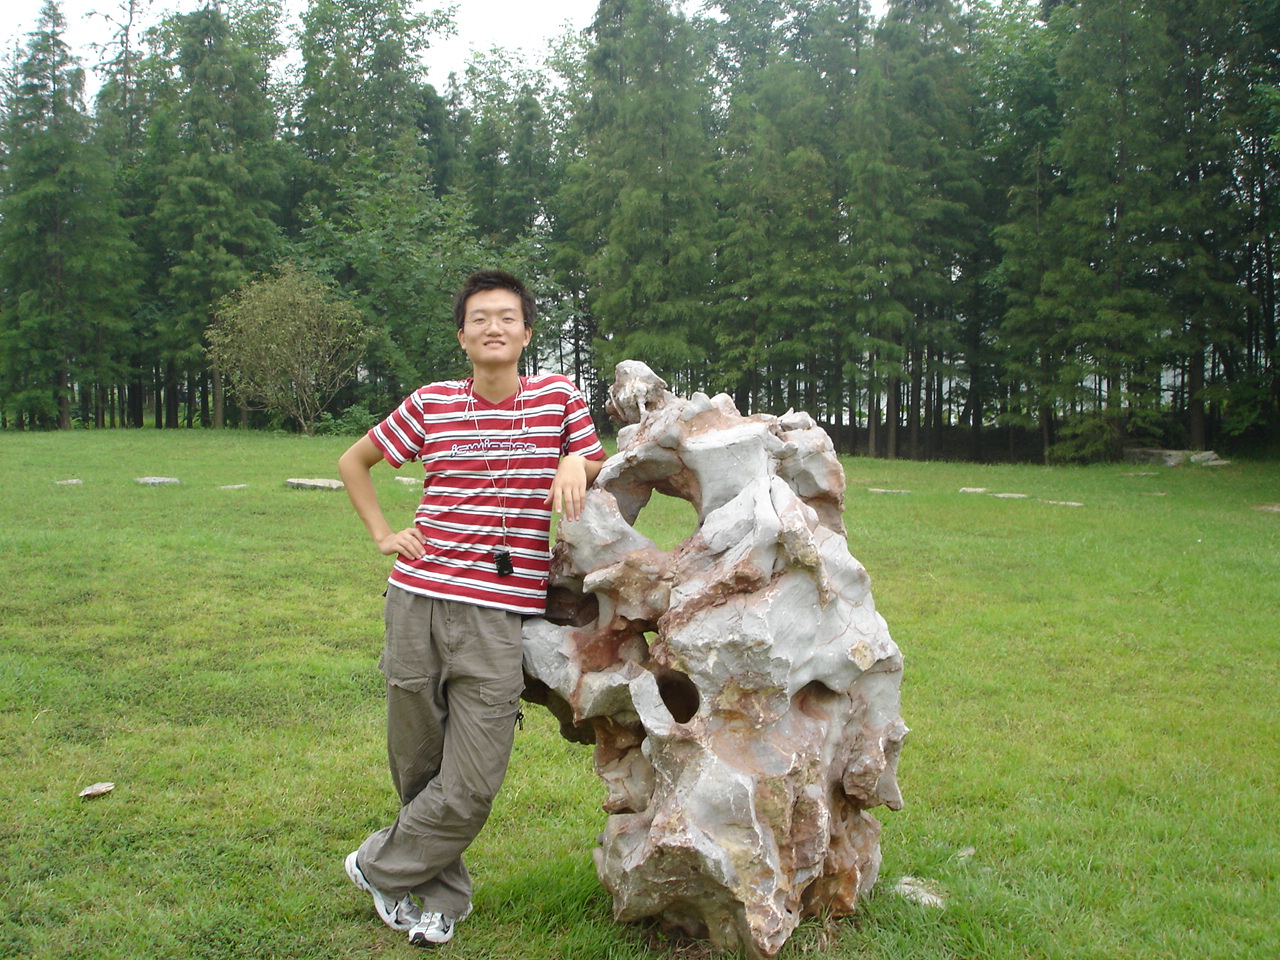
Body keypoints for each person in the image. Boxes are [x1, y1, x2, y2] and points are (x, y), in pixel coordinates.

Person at [337, 269, 606, 947]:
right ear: (462, 337)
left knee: (474, 779)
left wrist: (573, 463)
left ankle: (375, 865)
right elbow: (353, 462)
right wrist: (383, 534)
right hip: (418, 601)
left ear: (527, 333)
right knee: (419, 765)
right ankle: (439, 899)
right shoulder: (431, 403)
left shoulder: (557, 398)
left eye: (507, 317)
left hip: (496, 616)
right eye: (479, 318)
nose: (493, 327)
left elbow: (597, 461)